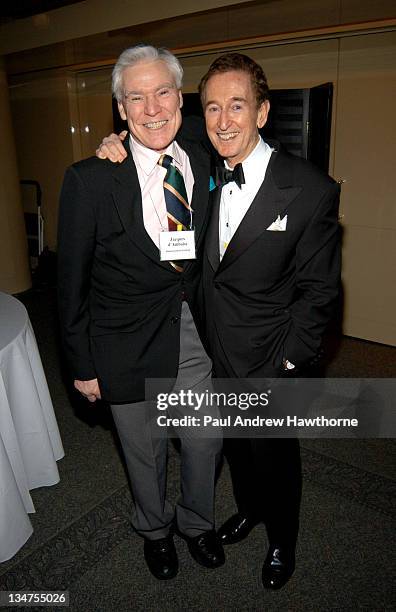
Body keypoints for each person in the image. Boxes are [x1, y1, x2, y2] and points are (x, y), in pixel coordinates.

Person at [96, 52, 341, 590]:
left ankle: (282, 540)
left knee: (275, 456)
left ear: (262, 112)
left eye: (237, 106)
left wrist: (288, 361)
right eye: (211, 108)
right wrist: (115, 143)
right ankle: (250, 510)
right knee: (233, 447)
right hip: (209, 352)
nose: (223, 120)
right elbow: (149, 143)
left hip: (269, 359)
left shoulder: (309, 189)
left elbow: (320, 292)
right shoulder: (200, 166)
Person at [57, 44, 224, 582]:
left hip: (196, 332)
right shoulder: (91, 178)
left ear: (181, 97)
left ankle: (197, 523)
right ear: (121, 110)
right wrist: (82, 364)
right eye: (136, 97)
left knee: (203, 442)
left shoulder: (203, 150)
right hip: (124, 343)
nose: (152, 108)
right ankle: (155, 530)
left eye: (162, 92)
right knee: (145, 452)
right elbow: (71, 283)